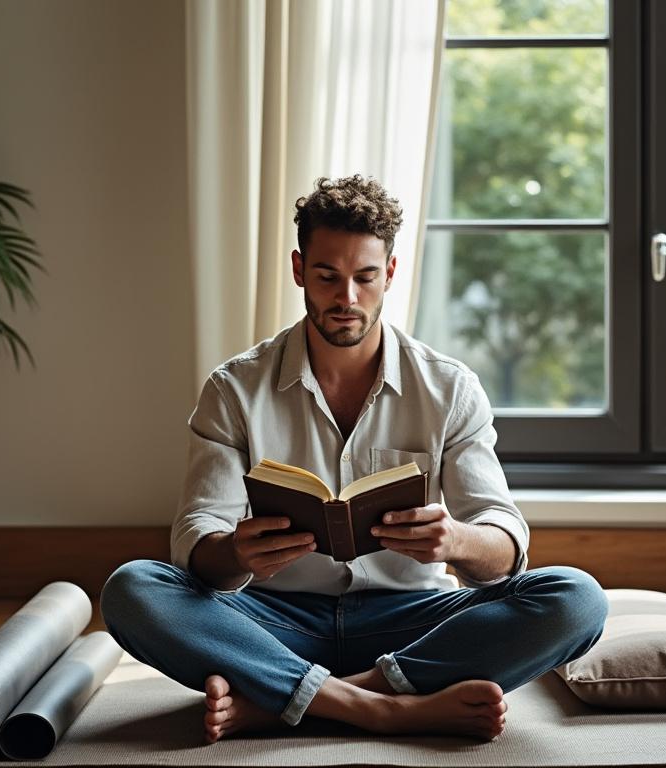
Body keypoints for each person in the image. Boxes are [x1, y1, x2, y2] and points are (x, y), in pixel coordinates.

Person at [101, 175, 607, 743]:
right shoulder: (234, 389)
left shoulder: (449, 388)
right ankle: (386, 709)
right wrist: (236, 553)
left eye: (365, 277)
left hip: (412, 624)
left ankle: (289, 701)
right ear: (299, 271)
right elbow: (195, 546)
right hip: (272, 623)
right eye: (327, 277)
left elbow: (505, 544)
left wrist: (456, 541)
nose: (347, 299)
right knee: (133, 588)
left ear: (389, 272)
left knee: (575, 598)